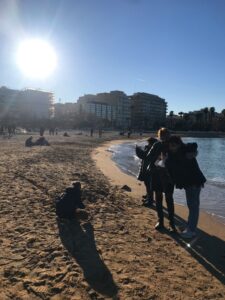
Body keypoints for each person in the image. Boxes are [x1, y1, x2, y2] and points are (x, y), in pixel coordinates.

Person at [166, 136, 206, 239]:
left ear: (179, 144)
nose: (172, 147)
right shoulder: (171, 154)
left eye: (174, 145)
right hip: (188, 183)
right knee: (191, 206)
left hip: (195, 181)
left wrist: (192, 152)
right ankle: (190, 227)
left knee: (193, 206)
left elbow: (193, 145)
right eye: (170, 145)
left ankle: (191, 230)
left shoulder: (185, 150)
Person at [144, 128, 176, 232]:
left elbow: (180, 156)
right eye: (162, 135)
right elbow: (148, 157)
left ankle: (171, 223)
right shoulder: (157, 145)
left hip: (168, 176)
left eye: (166, 135)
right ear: (159, 136)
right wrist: (158, 158)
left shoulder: (172, 145)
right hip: (157, 174)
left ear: (169, 135)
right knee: (159, 198)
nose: (164, 137)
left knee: (168, 198)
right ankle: (161, 221)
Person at [136, 137, 157, 206]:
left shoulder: (153, 150)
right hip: (146, 169)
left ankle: (150, 200)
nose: (147, 144)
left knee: (149, 185)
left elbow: (143, 156)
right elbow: (143, 155)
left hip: (150, 170)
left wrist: (138, 150)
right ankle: (148, 196)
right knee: (147, 184)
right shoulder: (149, 148)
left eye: (149, 143)